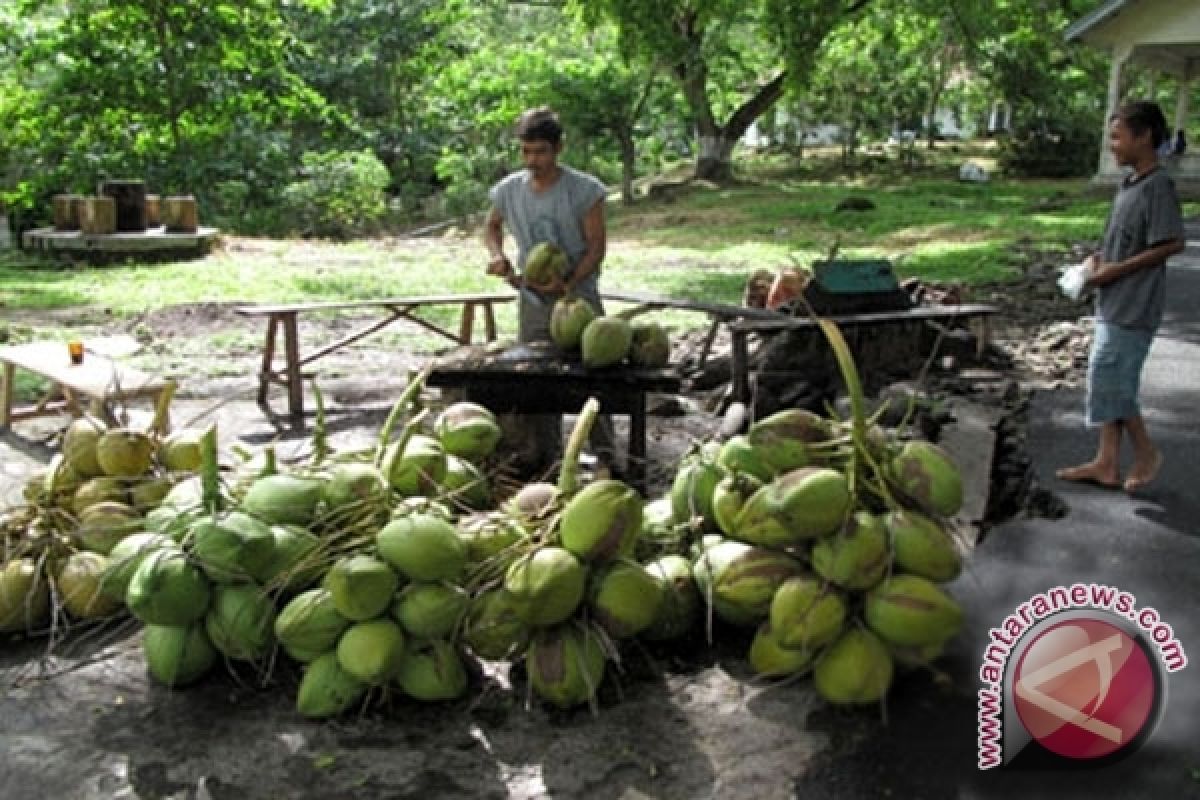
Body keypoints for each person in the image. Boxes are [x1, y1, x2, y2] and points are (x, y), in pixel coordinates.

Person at [1056, 100, 1185, 493]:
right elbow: (1116, 240)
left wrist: (1116, 271)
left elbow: (1171, 243)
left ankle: (1145, 452)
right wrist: (1094, 262)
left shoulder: (1158, 187)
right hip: (1111, 299)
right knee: (1109, 377)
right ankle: (1106, 463)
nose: (1112, 145)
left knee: (1112, 382)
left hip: (1134, 304)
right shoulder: (1128, 185)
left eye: (1118, 136)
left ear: (1144, 137)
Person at [483, 106, 619, 475]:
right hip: (532, 301)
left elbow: (596, 246)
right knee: (538, 381)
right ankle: (548, 459)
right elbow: (492, 228)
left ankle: (607, 458)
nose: (533, 160)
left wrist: (570, 283)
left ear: (559, 148)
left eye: (541, 151)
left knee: (594, 378)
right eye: (526, 151)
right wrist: (498, 257)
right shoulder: (509, 190)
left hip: (580, 301)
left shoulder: (584, 190)